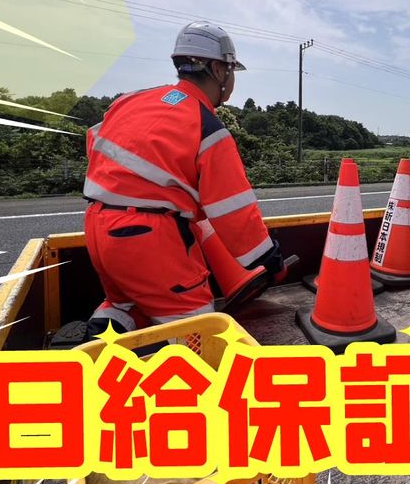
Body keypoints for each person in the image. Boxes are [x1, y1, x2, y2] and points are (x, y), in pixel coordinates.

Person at [82, 22, 283, 338]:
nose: (232, 81)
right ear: (218, 70)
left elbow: (94, 139)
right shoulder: (206, 125)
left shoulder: (131, 100)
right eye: (231, 71)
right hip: (149, 238)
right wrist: (267, 256)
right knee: (196, 328)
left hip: (98, 225)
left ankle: (93, 345)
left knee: (126, 304)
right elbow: (232, 207)